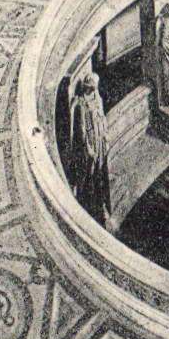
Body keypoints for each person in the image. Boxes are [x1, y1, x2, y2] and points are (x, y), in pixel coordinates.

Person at [69, 72, 111, 226]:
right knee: (89, 175)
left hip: (99, 139)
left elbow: (102, 118)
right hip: (91, 142)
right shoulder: (81, 105)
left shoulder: (97, 99)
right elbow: (81, 129)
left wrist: (105, 135)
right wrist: (88, 148)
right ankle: (88, 205)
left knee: (99, 174)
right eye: (91, 88)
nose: (93, 90)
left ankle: (100, 205)